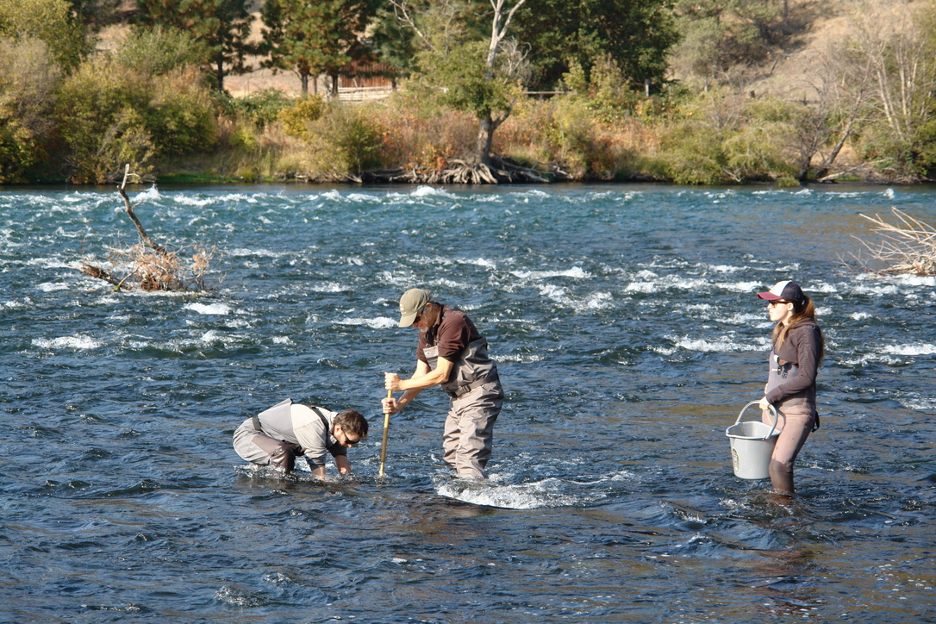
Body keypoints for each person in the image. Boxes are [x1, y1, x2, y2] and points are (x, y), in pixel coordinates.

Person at [383, 288, 504, 479]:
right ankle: (460, 501)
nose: (415, 325)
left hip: (480, 393)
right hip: (457, 399)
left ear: (428, 307)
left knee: (468, 457)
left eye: (416, 319)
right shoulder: (426, 330)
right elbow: (420, 374)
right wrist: (399, 404)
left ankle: (474, 506)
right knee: (452, 454)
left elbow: (440, 374)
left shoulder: (454, 322)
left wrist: (400, 384)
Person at [756, 280, 824, 495]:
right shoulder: (781, 329)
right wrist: (770, 389)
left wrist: (771, 395)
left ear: (790, 305)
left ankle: (789, 516)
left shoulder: (807, 332)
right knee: (766, 467)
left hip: (796, 412)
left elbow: (806, 377)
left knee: (780, 465)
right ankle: (776, 511)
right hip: (774, 409)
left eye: (774, 303)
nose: (769, 306)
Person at [233, 398, 368, 479]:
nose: (350, 446)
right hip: (247, 437)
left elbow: (343, 467)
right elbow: (319, 476)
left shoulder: (338, 430)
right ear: (338, 428)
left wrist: (353, 488)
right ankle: (278, 494)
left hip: (274, 439)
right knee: (283, 453)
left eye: (355, 443)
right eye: (349, 441)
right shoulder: (314, 425)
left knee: (289, 453)